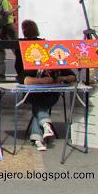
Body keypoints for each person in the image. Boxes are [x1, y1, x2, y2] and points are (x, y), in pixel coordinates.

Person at [15, 19, 76, 152]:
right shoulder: (32, 64)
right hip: (33, 94)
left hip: (51, 94)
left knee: (40, 104)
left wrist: (59, 78)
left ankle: (39, 135)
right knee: (38, 101)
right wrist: (42, 81)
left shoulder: (56, 62)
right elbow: (22, 78)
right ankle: (44, 127)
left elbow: (73, 76)